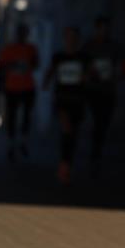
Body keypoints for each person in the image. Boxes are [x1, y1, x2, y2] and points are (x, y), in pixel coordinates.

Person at [83, 15, 125, 176]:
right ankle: (95, 150)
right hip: (93, 90)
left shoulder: (114, 47)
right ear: (96, 29)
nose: (104, 32)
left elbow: (124, 67)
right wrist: (89, 74)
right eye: (101, 28)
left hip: (108, 90)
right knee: (96, 118)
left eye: (106, 28)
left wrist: (118, 74)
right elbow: (81, 65)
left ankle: (97, 148)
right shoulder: (89, 47)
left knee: (104, 121)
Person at [43, 26, 89, 184]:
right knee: (66, 128)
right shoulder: (59, 57)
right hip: (62, 99)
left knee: (73, 133)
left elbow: (91, 74)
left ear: (78, 40)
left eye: (74, 37)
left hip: (78, 100)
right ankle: (64, 164)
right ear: (64, 39)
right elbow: (50, 71)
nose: (71, 40)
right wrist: (46, 82)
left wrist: (87, 78)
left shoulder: (83, 58)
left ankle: (67, 161)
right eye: (68, 37)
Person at [0, 23, 39, 160]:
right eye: (20, 33)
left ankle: (23, 140)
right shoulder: (9, 49)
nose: (22, 36)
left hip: (27, 87)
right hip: (12, 87)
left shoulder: (31, 49)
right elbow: (1, 67)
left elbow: (36, 64)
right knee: (12, 116)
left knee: (26, 115)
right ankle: (12, 143)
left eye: (24, 33)